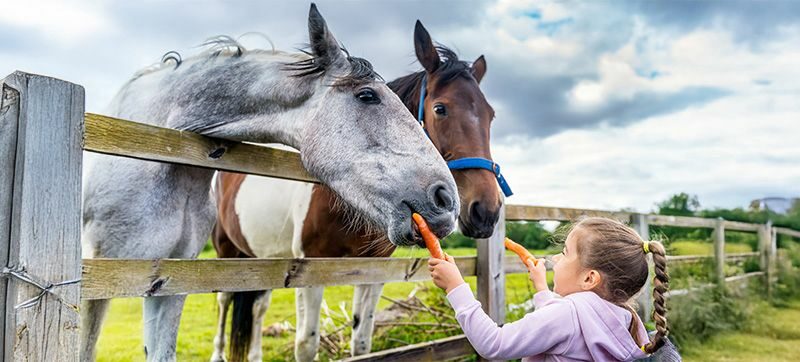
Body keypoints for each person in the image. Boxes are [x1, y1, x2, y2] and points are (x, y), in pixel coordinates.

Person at [429, 217, 669, 361]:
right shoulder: (626, 319)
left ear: (589, 279)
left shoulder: (567, 315)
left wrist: (456, 287)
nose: (555, 258)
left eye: (564, 252)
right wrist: (542, 288)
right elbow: (563, 327)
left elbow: (494, 343)